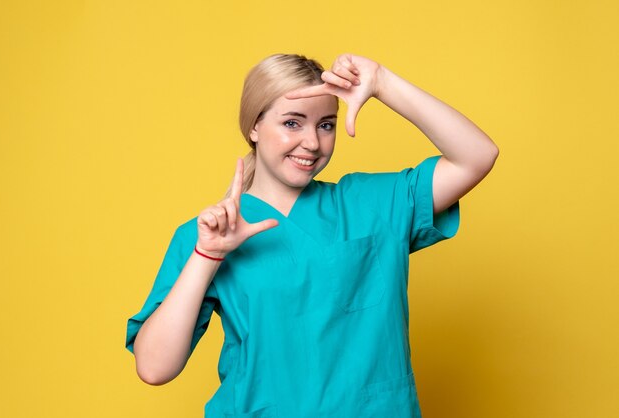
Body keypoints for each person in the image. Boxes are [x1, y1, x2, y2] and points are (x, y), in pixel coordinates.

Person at [125, 53, 499, 417]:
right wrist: (207, 255)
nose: (313, 143)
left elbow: (477, 155)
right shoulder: (208, 233)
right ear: (254, 126)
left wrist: (382, 82)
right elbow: (155, 368)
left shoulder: (369, 204)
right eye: (292, 123)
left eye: (326, 124)